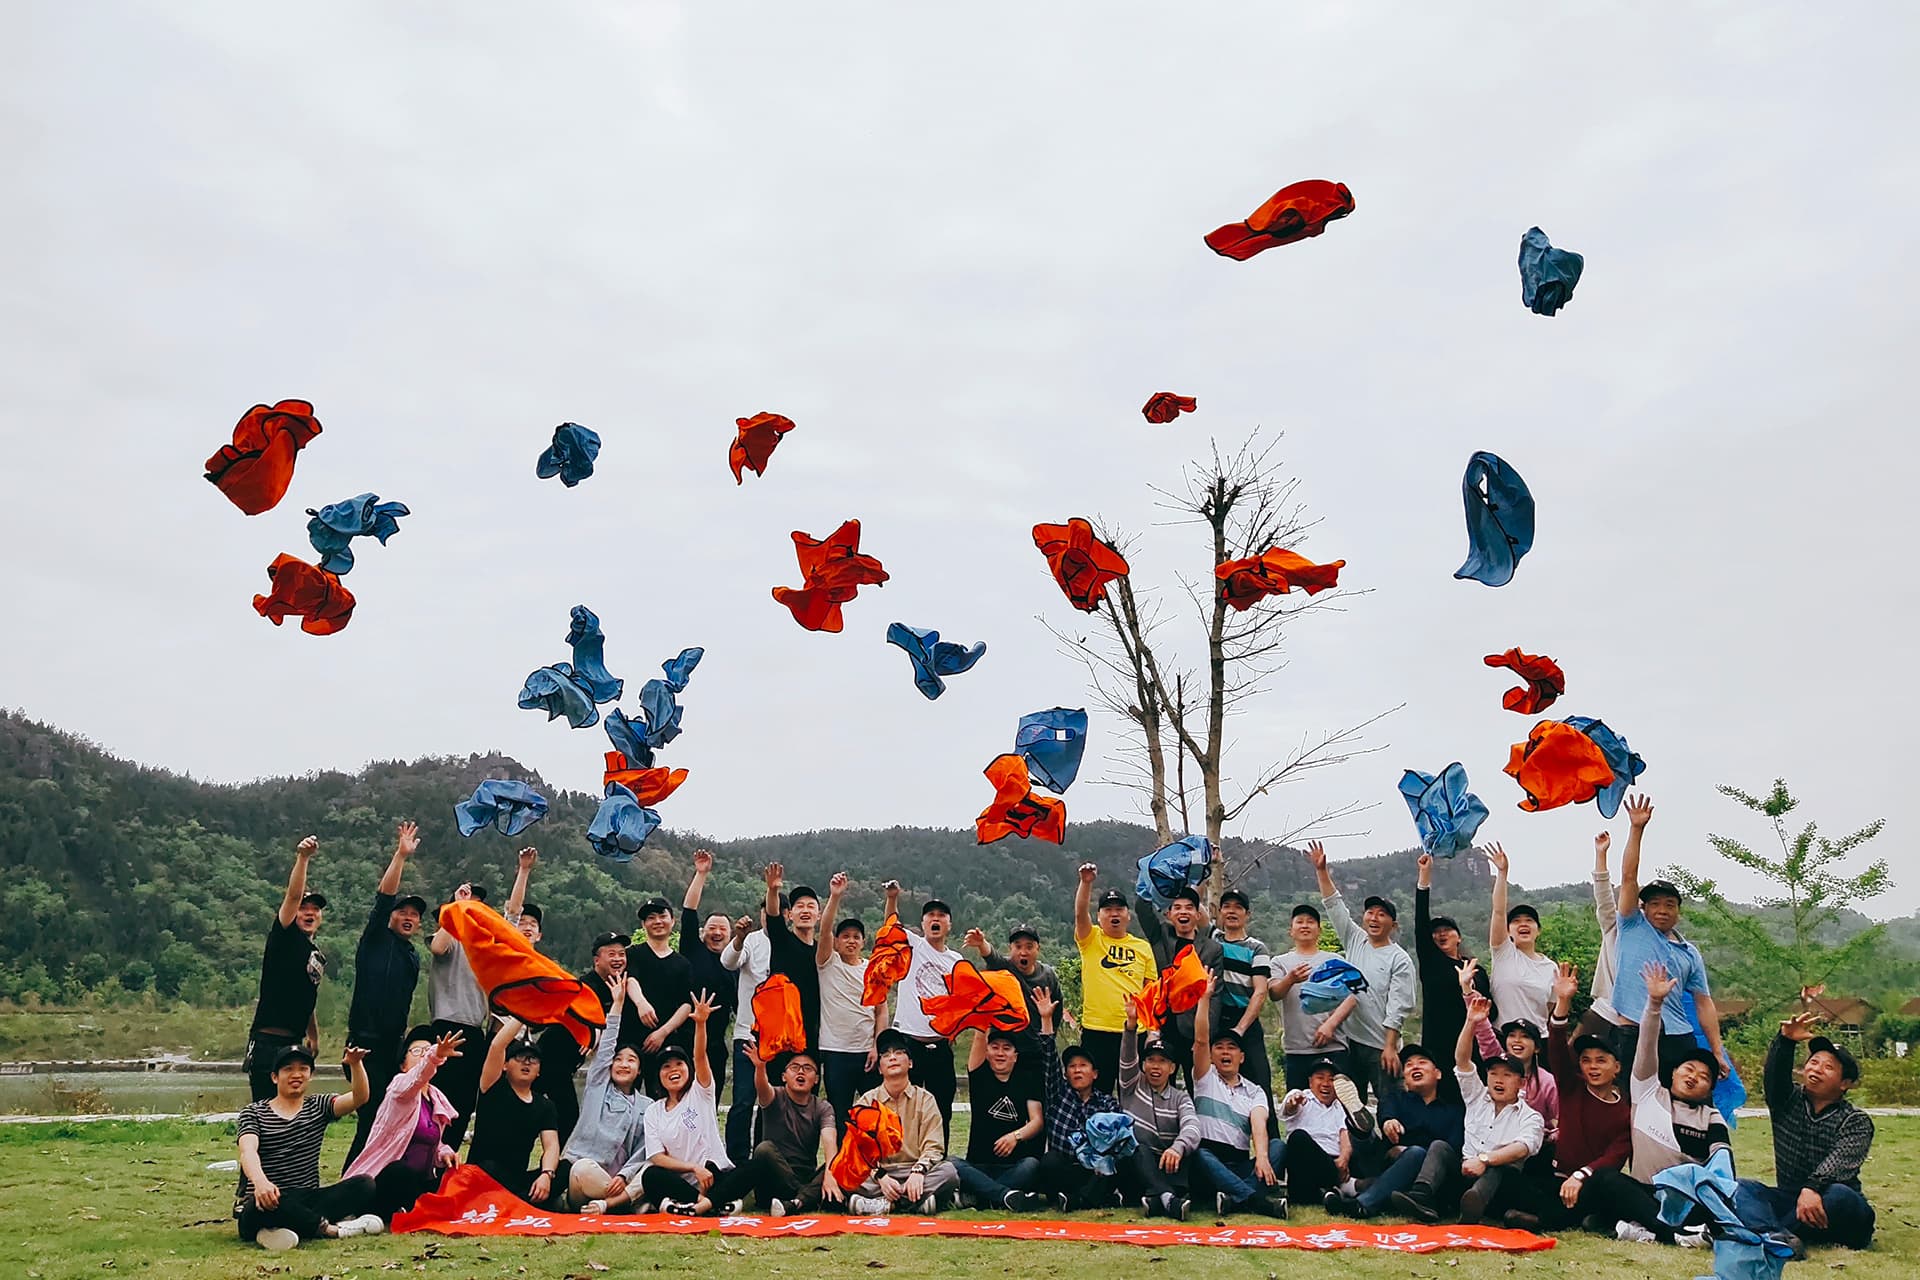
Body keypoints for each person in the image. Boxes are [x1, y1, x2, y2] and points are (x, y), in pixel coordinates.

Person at [1587, 961, 1725, 1246]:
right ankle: (1673, 1235)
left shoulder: (1711, 1117)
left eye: (1703, 1077)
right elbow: (1646, 1044)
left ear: (1709, 1089)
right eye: (1689, 1069)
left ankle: (1643, 1230)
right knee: (1605, 1180)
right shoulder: (1647, 1092)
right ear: (1672, 1072)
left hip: (1684, 1198)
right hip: (1643, 1192)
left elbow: (1722, 1169)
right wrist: (1654, 1004)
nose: (1693, 1077)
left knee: (1717, 1202)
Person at [1733, 1004, 1876, 1249]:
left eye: (1828, 1067)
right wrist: (1785, 1041)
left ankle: (1767, 1233)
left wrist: (1813, 1188)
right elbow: (1775, 1077)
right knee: (1741, 1188)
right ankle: (1779, 1237)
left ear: (1845, 1083)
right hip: (1791, 1199)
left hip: (1833, 1204)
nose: (1816, 1069)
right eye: (1814, 1062)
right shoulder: (1787, 1101)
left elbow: (1838, 1162)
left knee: (1840, 1195)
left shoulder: (1856, 1120)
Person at [1391, 992, 1542, 1224]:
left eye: (1507, 1075)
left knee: (1501, 1166)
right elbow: (1462, 1061)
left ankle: (1474, 1208)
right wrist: (1471, 1022)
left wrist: (1485, 1159)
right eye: (1493, 1074)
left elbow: (1523, 1148)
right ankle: (1421, 1196)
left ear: (1521, 1083)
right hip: (1464, 1172)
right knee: (1440, 1147)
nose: (1498, 1080)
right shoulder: (1477, 1096)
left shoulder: (1531, 1116)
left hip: (1500, 1186)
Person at [1606, 795, 1728, 1074]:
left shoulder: (1690, 952)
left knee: (1684, 1097)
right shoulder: (1632, 925)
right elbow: (1628, 877)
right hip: (1633, 1031)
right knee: (1633, 1098)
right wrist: (1636, 828)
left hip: (1677, 1035)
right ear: (1643, 908)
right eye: (1655, 904)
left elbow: (1704, 1002)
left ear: (1678, 912)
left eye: (1669, 905)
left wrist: (1716, 1051)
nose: (1662, 910)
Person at [1505, 962, 1629, 1229]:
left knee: (1591, 1191)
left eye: (1601, 1060)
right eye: (1586, 1060)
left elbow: (1614, 1157)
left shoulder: (1625, 1111)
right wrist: (1562, 1002)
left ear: (1617, 1067)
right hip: (1556, 1175)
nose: (1593, 1067)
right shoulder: (1573, 1087)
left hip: (1590, 1181)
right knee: (1513, 1181)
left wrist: (1581, 1175)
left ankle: (1545, 1220)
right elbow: (1558, 1049)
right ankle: (1569, 1217)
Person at [236, 1043, 381, 1250]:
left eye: (303, 1069)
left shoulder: (318, 1106)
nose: (296, 1074)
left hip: (307, 1198)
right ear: (275, 1077)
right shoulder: (253, 1112)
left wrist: (356, 1064)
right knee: (266, 1206)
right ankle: (331, 1230)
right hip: (267, 1199)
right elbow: (248, 1150)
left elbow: (360, 1098)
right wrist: (261, 1183)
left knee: (364, 1184)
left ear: (310, 1075)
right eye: (288, 1069)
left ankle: (278, 1231)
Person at [341, 821, 427, 1169]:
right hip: (364, 1046)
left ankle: (374, 1180)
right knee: (372, 1116)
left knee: (389, 1118)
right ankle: (352, 1181)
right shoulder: (375, 940)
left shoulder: (412, 955)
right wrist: (401, 856)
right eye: (402, 912)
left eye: (414, 915)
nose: (408, 917)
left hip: (394, 1048)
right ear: (390, 918)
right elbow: (384, 897)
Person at [638, 990, 767, 1215]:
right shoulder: (653, 1111)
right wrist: (693, 1168)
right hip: (684, 1181)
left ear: (688, 1069)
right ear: (658, 1076)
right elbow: (657, 1156)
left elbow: (699, 1056)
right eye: (666, 1067)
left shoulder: (701, 1092)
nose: (673, 1070)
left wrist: (700, 1024)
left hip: (715, 1175)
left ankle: (700, 1206)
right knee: (651, 1175)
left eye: (679, 1064)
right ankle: (709, 1203)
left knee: (755, 1164)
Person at [1307, 841, 1414, 1104]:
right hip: (1349, 1041)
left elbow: (1398, 1006)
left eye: (1382, 915)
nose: (1374, 918)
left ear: (1393, 925)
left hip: (1380, 1047)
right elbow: (1334, 906)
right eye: (1370, 913)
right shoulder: (1355, 939)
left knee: (1390, 1107)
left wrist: (1390, 1045)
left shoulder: (1399, 958)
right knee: (1351, 1108)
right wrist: (1321, 871)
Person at [1326, 1044, 1463, 1219]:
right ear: (1405, 1078)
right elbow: (1386, 1111)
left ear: (1438, 1074)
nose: (1415, 1067)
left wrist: (1409, 1151)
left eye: (1422, 1062)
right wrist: (1388, 1122)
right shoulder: (1396, 1099)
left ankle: (1360, 1199)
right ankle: (1359, 1130)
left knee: (1417, 1153)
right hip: (1393, 1166)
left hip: (1433, 1180)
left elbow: (1451, 1150)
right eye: (1409, 1065)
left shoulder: (1454, 1111)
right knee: (1369, 1139)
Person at [1188, 976, 1286, 1217]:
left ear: (1241, 1057)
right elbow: (1201, 1040)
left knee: (1277, 1147)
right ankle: (1255, 1200)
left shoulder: (1254, 1091)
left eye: (1231, 1047)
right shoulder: (1205, 1077)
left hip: (1239, 1163)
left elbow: (1259, 1125)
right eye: (1219, 1047)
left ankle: (1235, 1197)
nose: (1225, 1052)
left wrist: (1261, 1157)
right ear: (1212, 1055)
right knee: (1199, 1153)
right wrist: (1204, 999)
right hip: (1209, 1163)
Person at [343, 1027, 464, 1221]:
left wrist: (445, 1152)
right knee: (400, 1172)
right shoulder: (399, 1087)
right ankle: (402, 1210)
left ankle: (420, 1207)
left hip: (420, 1180)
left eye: (427, 1049)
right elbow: (417, 1077)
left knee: (457, 1178)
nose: (424, 1054)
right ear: (403, 1065)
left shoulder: (435, 1097)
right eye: (416, 1051)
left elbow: (432, 1140)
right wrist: (434, 1055)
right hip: (387, 1180)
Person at [842, 1028, 960, 1215]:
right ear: (880, 1068)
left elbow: (934, 1146)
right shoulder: (867, 1101)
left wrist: (918, 1172)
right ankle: (916, 1203)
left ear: (910, 1063)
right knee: (844, 1172)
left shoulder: (925, 1099)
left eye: (899, 1052)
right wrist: (881, 1177)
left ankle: (882, 1204)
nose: (893, 1058)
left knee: (949, 1172)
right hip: (879, 1174)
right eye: (886, 1055)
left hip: (914, 1170)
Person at [246, 835, 328, 1103]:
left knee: (291, 1111)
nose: (309, 913)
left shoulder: (314, 953)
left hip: (295, 1042)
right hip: (268, 1042)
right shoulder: (283, 936)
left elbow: (308, 995)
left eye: (315, 909)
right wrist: (303, 858)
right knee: (265, 1112)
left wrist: (313, 1036)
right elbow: (292, 895)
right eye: (304, 908)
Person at [878, 880, 964, 1134]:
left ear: (949, 924)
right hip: (909, 1043)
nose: (935, 919)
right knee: (903, 1110)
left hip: (940, 1045)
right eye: (930, 915)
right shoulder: (912, 945)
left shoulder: (956, 960)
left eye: (941, 915)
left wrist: (956, 1029)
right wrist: (892, 898)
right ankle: (903, 1156)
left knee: (942, 1111)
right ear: (924, 922)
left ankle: (938, 1156)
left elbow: (961, 1001)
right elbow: (890, 927)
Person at [538, 930, 634, 1148]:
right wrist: (593, 1030)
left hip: (568, 1066)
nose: (618, 959)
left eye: (621, 954)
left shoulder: (621, 985)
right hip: (550, 1058)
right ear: (597, 960)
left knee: (565, 1117)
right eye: (611, 954)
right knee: (565, 1116)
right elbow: (574, 1014)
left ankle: (554, 1162)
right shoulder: (585, 986)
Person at [1031, 988, 1124, 1211]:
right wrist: (1046, 1019)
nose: (1077, 1070)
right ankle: (1093, 1198)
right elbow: (1049, 1059)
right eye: (1072, 1066)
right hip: (1065, 1166)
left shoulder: (1107, 1103)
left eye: (1083, 1065)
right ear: (1066, 1073)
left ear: (1095, 1074)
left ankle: (1078, 1199)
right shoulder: (1058, 1095)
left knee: (1114, 1163)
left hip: (1094, 1169)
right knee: (1049, 1162)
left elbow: (1117, 1138)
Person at [560, 993, 653, 1213]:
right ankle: (627, 1205)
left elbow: (643, 1150)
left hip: (620, 1180)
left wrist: (624, 1175)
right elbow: (605, 1051)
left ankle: (614, 1204)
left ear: (639, 1070)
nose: (623, 1064)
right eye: (618, 1059)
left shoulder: (648, 1106)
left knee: (653, 1165)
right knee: (582, 1168)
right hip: (586, 1179)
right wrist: (617, 1005)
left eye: (631, 1060)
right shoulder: (598, 1088)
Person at [1462, 960, 1558, 1167]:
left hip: (1530, 1151)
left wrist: (1548, 1136)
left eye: (1525, 1037)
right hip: (1492, 1145)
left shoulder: (1547, 1082)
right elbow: (1482, 1028)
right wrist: (1468, 991)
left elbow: (1562, 1120)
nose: (1517, 1041)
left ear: (1537, 1047)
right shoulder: (1497, 1058)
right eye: (1512, 1036)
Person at [1072, 863, 1158, 1090]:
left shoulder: (1142, 947)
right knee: (1094, 1094)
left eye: (1119, 909)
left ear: (1128, 915)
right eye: (1108, 910)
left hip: (1133, 1031)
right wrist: (1086, 883)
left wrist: (1153, 1031)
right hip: (1096, 1030)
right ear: (1099, 916)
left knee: (1133, 1093)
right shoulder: (1091, 939)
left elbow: (1150, 991)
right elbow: (1080, 913)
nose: (1114, 914)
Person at [950, 1027, 1050, 1211]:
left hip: (1012, 1167)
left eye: (1006, 1048)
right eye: (995, 1047)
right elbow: (979, 1038)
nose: (1000, 1053)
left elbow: (1037, 1121)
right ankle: (1004, 1196)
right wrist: (983, 1019)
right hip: (978, 1165)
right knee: (951, 1163)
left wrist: (1015, 1136)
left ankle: (982, 1196)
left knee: (1031, 1165)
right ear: (987, 1053)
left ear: (1015, 1056)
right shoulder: (979, 1074)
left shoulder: (1027, 1079)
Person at [1114, 1006, 1198, 1219]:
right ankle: (1169, 1199)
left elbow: (1192, 1127)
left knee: (1193, 1151)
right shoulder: (1132, 1084)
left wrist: (1177, 1148)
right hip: (1136, 1165)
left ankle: (1156, 1200)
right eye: (1151, 1060)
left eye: (1162, 1061)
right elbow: (1127, 1057)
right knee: (1139, 1150)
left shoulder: (1180, 1098)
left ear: (1172, 1068)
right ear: (1143, 1065)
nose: (1155, 1066)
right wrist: (1131, 1026)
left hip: (1167, 1164)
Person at [468, 1017, 562, 1206]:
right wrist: (524, 1015)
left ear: (539, 1070)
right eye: (519, 1057)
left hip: (517, 1179)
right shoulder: (493, 1086)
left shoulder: (545, 1105)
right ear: (505, 1065)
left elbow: (551, 1145)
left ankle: (522, 1200)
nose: (526, 1062)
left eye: (533, 1059)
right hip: (484, 1174)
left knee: (567, 1168)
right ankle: (522, 1202)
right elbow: (497, 1046)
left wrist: (546, 1174)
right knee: (488, 1168)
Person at [425, 881, 490, 1147]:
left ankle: (448, 1161)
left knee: (463, 1105)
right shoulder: (449, 940)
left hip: (475, 1032)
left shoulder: (483, 947)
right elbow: (437, 948)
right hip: (446, 1028)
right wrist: (457, 907)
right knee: (437, 1102)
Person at [1266, 902, 1357, 1090]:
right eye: (1299, 922)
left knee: (1337, 1102)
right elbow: (1274, 993)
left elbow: (1352, 997)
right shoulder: (1279, 962)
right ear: (1290, 931)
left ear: (1319, 930)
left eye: (1310, 922)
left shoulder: (1334, 960)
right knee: (1299, 1103)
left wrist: (1330, 1025)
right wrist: (1290, 979)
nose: (1305, 925)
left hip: (1334, 1047)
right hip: (1296, 1049)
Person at [1135, 883, 1222, 1080]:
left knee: (1199, 1087)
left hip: (1192, 1031)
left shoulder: (1212, 949)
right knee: (1159, 1088)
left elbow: (1215, 997)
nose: (1183, 912)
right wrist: (1156, 879)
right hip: (1162, 1029)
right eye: (1177, 907)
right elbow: (1142, 908)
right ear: (1169, 914)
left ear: (1198, 915)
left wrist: (1204, 1038)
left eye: (1189, 907)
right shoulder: (1160, 935)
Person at [1414, 853, 1493, 1063]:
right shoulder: (1432, 964)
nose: (1441, 934)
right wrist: (1424, 878)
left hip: (1475, 1051)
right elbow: (1420, 923)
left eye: (1447, 930)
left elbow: (1491, 1011)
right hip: (1438, 1052)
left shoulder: (1477, 971)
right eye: (1436, 932)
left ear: (1459, 937)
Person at [817, 873, 878, 1126]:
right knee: (840, 1113)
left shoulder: (872, 969)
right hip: (835, 1051)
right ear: (836, 941)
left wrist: (877, 1045)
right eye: (845, 936)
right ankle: (840, 1153)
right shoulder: (828, 963)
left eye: (856, 936)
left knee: (872, 1115)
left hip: (867, 1052)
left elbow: (881, 1010)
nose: (851, 941)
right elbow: (824, 930)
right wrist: (835, 896)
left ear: (863, 942)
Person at [749, 1049, 839, 1214]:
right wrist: (760, 1068)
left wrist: (830, 1174)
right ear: (784, 1076)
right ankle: (807, 1198)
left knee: (840, 1161)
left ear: (816, 1079)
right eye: (795, 1067)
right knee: (764, 1149)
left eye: (807, 1068)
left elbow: (830, 1140)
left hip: (805, 1177)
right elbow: (762, 1087)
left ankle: (796, 1202)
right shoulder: (774, 1096)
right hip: (773, 1182)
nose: (801, 1072)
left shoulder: (822, 1107)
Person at [680, 850, 738, 1094]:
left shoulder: (735, 964)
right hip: (685, 1038)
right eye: (712, 928)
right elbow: (689, 912)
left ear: (730, 935)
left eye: (723, 929)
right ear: (703, 932)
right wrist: (701, 873)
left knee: (709, 1100)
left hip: (715, 1045)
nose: (717, 932)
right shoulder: (693, 950)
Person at [969, 923, 1066, 1066]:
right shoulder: (1004, 969)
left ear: (1038, 948)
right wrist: (982, 943)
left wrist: (1047, 1039)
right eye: (1018, 946)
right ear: (1010, 948)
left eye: (1029, 947)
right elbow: (992, 957)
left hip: (1036, 1051)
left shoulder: (1048, 976)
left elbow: (1057, 1010)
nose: (1023, 952)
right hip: (1005, 1052)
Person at [720, 906, 774, 1163]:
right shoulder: (752, 940)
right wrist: (739, 938)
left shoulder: (792, 943)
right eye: (766, 911)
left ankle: (765, 1158)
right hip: (748, 1034)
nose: (770, 916)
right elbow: (728, 961)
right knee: (743, 1100)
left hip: (780, 1039)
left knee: (771, 1102)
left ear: (787, 915)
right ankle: (735, 1160)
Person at [1278, 1056, 1368, 1205]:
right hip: (1306, 1165)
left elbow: (1345, 1134)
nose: (1326, 1084)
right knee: (1298, 1137)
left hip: (1335, 1161)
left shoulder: (1340, 1106)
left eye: (1331, 1079)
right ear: (1310, 1081)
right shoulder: (1301, 1096)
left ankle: (1331, 1193)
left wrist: (1344, 1158)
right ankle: (1347, 1186)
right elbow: (1289, 1108)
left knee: (1361, 1142)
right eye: (1320, 1078)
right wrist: (1293, 1103)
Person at [1209, 889, 1273, 1099]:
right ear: (1219, 912)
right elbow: (1194, 904)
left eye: (1238, 907)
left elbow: (1260, 991)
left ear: (1247, 914)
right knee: (1214, 1085)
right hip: (1216, 1018)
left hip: (1246, 1019)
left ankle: (1267, 1122)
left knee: (1259, 1083)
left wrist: (1240, 1029)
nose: (1232, 911)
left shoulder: (1257, 948)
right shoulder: (1213, 939)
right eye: (1227, 907)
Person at [1487, 843, 1557, 1033]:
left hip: (1537, 1040)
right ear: (1508, 931)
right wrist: (1502, 873)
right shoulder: (1503, 953)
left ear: (1538, 930)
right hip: (1503, 1037)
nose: (1523, 924)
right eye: (1516, 921)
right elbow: (1499, 911)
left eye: (1529, 920)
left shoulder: (1551, 968)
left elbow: (1549, 1008)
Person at [627, 895, 695, 1084]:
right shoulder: (632, 954)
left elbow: (687, 1004)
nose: (657, 921)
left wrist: (663, 1032)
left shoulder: (683, 964)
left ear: (672, 921)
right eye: (651, 918)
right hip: (632, 1039)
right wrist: (641, 1003)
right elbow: (630, 979)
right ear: (643, 925)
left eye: (662, 916)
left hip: (668, 1042)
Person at [762, 863, 824, 1049]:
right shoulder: (782, 940)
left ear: (818, 915)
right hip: (781, 1034)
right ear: (790, 915)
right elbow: (773, 914)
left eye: (810, 906)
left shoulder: (822, 952)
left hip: (812, 1033)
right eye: (799, 906)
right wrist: (773, 890)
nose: (805, 911)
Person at [1582, 830, 1621, 1038]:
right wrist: (1601, 855)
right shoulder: (1615, 926)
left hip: (1637, 1021)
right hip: (1603, 1012)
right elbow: (1604, 897)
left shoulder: (1657, 941)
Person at [502, 845, 541, 945]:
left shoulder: (540, 957)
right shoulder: (506, 950)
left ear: (539, 936)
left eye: (533, 924)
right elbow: (513, 912)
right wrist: (524, 870)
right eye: (522, 923)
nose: (528, 928)